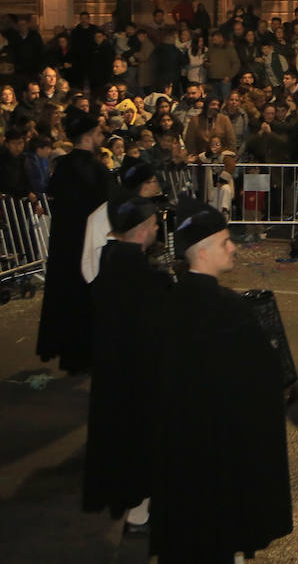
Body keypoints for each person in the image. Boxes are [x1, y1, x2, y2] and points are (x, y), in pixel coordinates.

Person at [150, 201, 293, 561]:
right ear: (202, 252)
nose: (233, 247)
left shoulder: (169, 301)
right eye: (225, 241)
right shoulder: (227, 309)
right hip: (221, 448)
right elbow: (258, 379)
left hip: (182, 449)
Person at [82, 196, 169, 533]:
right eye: (154, 222)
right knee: (139, 445)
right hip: (135, 377)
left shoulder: (112, 260)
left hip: (115, 373)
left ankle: (137, 509)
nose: (158, 226)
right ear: (141, 229)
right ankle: (139, 512)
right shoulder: (139, 274)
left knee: (126, 444)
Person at [35, 106, 113, 374]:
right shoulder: (95, 170)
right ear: (90, 135)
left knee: (66, 296)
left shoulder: (63, 167)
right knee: (86, 297)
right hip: (89, 243)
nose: (102, 138)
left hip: (64, 245)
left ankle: (69, 354)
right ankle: (85, 353)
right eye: (99, 133)